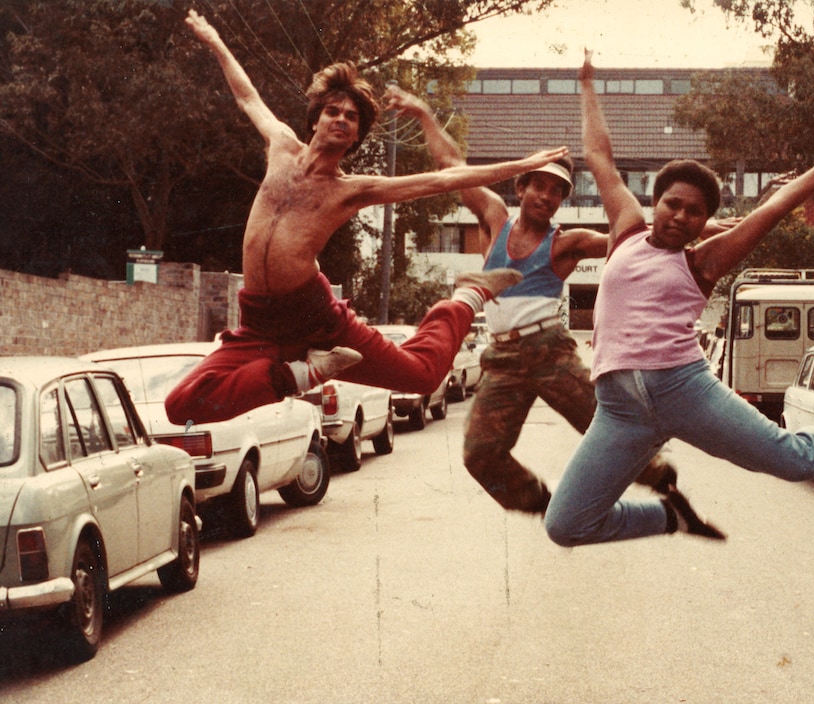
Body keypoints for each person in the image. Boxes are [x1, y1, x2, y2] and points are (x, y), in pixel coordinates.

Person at [543, 50, 814, 547]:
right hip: (620, 409)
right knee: (565, 525)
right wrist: (587, 83)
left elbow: (778, 205)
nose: (681, 216)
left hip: (684, 389)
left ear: (705, 221)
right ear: (655, 201)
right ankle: (669, 519)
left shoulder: (702, 262)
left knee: (792, 460)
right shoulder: (625, 230)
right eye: (673, 204)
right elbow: (598, 155)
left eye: (695, 212)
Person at [165, 10, 570, 426]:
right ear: (315, 119)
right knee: (179, 406)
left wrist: (523, 164)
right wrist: (214, 41)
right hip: (259, 324)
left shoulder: (349, 190)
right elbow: (247, 96)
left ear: (356, 136)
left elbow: (443, 179)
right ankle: (303, 374)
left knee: (421, 376)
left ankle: (470, 294)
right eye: (333, 111)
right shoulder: (281, 146)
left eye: (351, 117)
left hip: (318, 320)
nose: (341, 118)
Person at [386, 86, 721, 514]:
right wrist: (424, 115)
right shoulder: (493, 219)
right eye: (539, 187)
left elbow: (637, 236)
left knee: (605, 425)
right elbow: (452, 166)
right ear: (521, 187)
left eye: (556, 192)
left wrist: (708, 226)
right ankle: (548, 505)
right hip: (502, 357)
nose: (547, 197)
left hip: (549, 351)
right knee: (478, 455)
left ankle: (662, 481)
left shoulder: (566, 243)